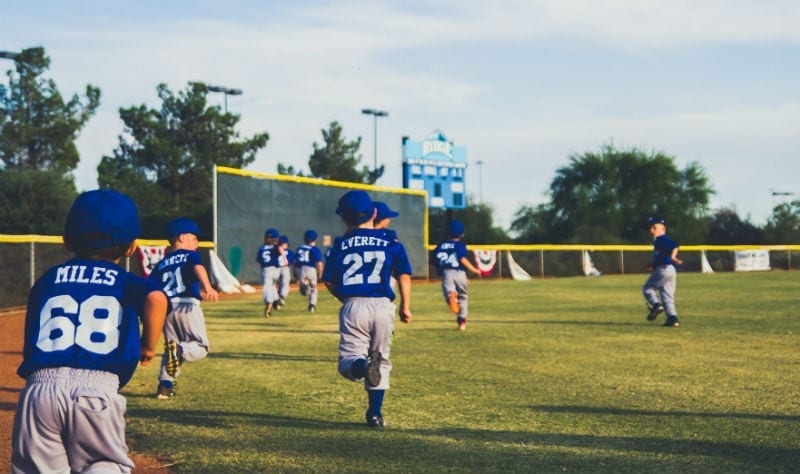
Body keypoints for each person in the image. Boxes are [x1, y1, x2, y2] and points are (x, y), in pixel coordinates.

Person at [11, 189, 169, 473]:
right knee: (104, 463)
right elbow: (157, 299)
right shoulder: (124, 279)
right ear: (131, 247)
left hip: (40, 388)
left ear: (66, 241)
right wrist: (148, 346)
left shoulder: (47, 280)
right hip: (97, 389)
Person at [322, 190, 413, 428]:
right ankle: (375, 414)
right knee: (381, 360)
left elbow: (329, 281)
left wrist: (346, 300)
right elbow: (403, 274)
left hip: (354, 305)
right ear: (374, 213)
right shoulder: (391, 240)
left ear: (344, 219)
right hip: (384, 307)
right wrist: (406, 306)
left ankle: (362, 366)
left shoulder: (340, 245)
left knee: (349, 363)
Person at [149, 217, 219, 399]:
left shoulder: (161, 263)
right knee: (199, 347)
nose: (197, 242)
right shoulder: (190, 255)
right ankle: (179, 350)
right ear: (181, 238)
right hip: (187, 305)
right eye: (195, 238)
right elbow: (198, 268)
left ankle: (165, 386)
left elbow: (150, 288)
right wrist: (208, 286)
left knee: (169, 349)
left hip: (166, 309)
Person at [432, 219, 482, 331]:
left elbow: (434, 259)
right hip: (460, 273)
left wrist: (440, 269)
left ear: (447, 233)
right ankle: (462, 323)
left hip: (447, 273)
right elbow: (462, 259)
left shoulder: (440, 245)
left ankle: (451, 296)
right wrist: (474, 269)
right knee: (463, 297)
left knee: (449, 293)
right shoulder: (460, 245)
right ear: (462, 234)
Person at [643, 216, 683, 327]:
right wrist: (653, 264)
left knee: (647, 289)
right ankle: (672, 318)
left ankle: (656, 305)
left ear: (661, 228)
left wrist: (673, 257)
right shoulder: (658, 241)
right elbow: (662, 256)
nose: (651, 230)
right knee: (667, 295)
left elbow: (674, 245)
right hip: (670, 270)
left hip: (663, 269)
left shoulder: (661, 239)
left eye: (653, 227)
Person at [256, 228, 284, 318]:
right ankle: (276, 301)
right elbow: (281, 252)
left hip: (266, 270)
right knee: (273, 286)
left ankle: (269, 303)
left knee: (268, 288)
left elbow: (259, 260)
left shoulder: (262, 249)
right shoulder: (276, 248)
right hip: (276, 270)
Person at [296, 229, 324, 312]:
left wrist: (295, 272)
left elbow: (295, 262)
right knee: (314, 289)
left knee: (303, 291)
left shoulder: (299, 249)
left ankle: (304, 285)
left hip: (301, 269)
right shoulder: (315, 250)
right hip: (311, 269)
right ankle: (312, 305)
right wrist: (320, 273)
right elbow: (319, 263)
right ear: (315, 239)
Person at [276, 235, 295, 309]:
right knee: (285, 285)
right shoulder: (289, 252)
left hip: (275, 269)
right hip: (285, 269)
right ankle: (282, 297)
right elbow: (291, 262)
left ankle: (278, 301)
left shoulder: (274, 251)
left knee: (278, 286)